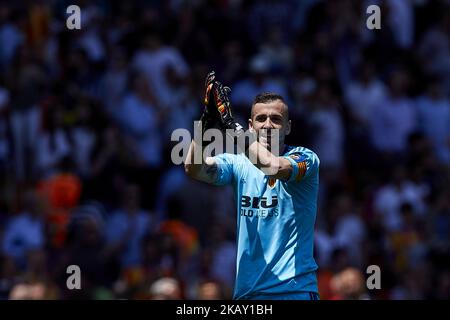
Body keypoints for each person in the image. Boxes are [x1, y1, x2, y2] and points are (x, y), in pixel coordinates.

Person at [184, 71, 320, 300]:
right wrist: (205, 123)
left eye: (276, 119)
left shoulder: (306, 158)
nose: (268, 125)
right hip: (248, 294)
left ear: (288, 127)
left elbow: (273, 166)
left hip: (293, 291)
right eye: (261, 119)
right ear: (251, 125)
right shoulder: (238, 162)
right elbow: (194, 169)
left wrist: (233, 129)